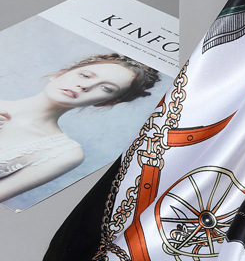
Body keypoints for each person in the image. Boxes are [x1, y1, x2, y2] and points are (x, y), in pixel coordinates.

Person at [0, 53, 160, 202]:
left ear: (105, 102)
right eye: (85, 76)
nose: (86, 85)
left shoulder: (63, 152)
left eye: (106, 88)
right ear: (60, 74)